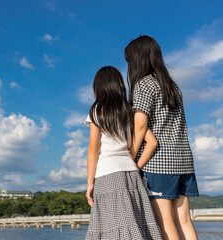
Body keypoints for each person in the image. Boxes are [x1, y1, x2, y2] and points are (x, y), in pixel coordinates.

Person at [125, 35, 199, 240]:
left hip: (159, 164)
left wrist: (129, 159)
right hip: (184, 161)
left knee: (165, 223)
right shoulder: (172, 86)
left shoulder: (144, 84)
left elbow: (140, 126)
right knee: (184, 220)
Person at [85, 66, 162, 240]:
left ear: (99, 87)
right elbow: (152, 142)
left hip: (107, 175)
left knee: (110, 229)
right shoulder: (130, 111)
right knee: (135, 227)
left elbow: (93, 149)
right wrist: (135, 165)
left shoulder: (97, 110)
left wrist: (90, 182)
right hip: (132, 174)